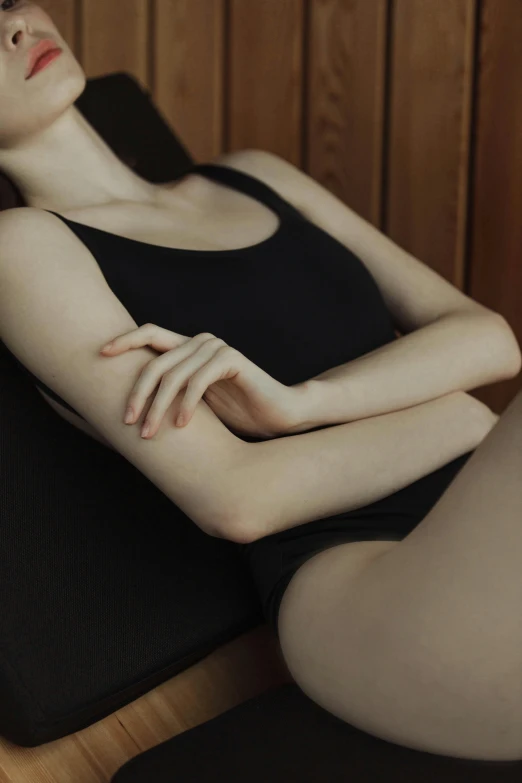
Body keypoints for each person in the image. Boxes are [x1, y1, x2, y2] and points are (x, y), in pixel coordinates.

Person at [1, 1, 522, 763]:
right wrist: (459, 421)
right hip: (368, 598)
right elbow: (238, 497)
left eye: (7, 1)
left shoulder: (252, 176)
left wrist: (302, 404)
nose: (14, 26)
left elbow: (487, 337)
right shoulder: (23, 250)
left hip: (483, 536)